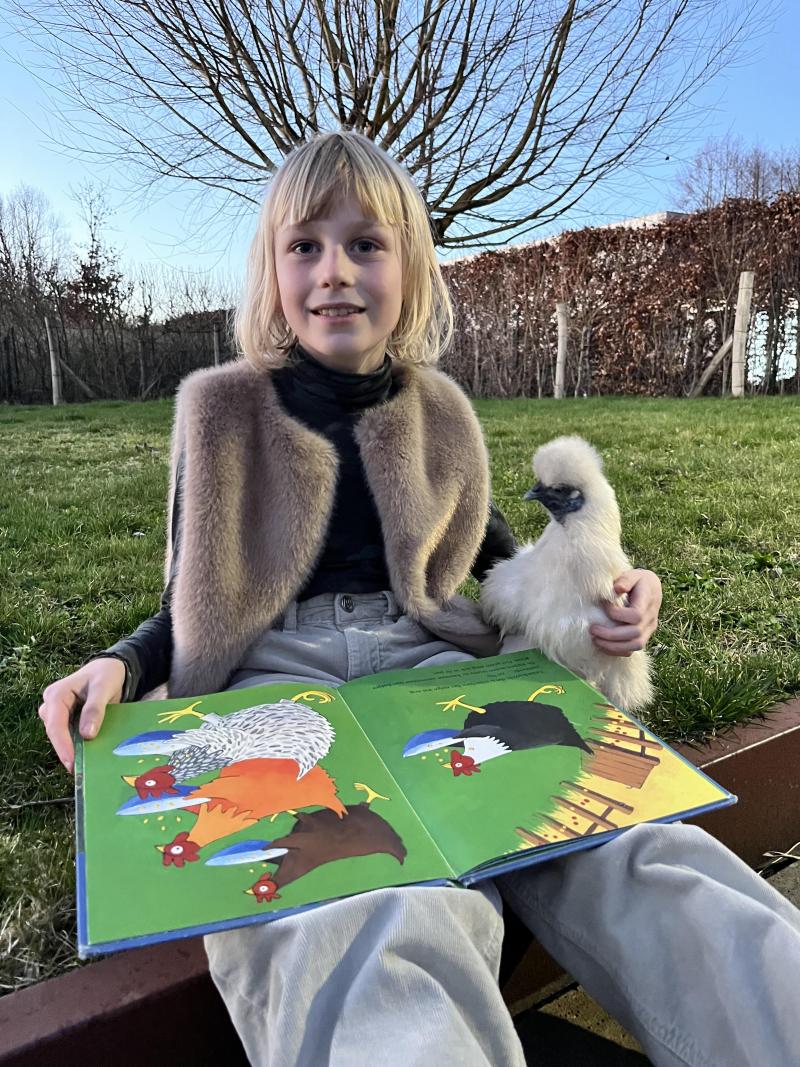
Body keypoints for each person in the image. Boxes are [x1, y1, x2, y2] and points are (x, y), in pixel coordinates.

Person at [39, 131, 800, 1067]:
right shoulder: (219, 409)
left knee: (625, 838)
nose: (334, 271)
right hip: (277, 681)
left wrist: (610, 592)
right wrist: (121, 663)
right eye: (305, 245)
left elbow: (503, 564)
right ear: (272, 268)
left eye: (367, 244)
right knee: (353, 896)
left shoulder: (442, 412)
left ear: (411, 269)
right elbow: (192, 596)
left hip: (434, 661)